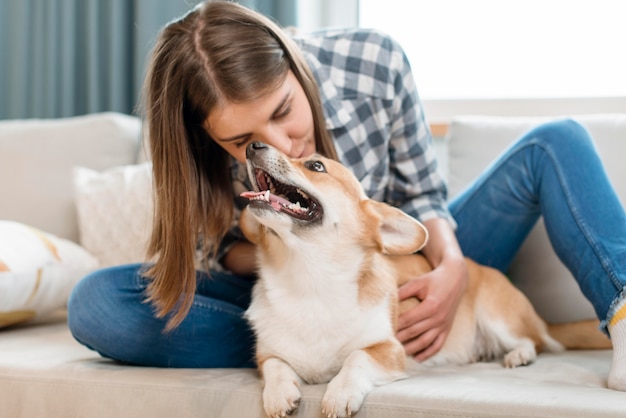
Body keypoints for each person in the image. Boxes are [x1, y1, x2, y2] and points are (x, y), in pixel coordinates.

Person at [67, 0, 626, 391]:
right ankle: (306, 350)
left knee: (558, 141)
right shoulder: (193, 143)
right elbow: (208, 253)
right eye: (243, 142)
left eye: (283, 111)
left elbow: (423, 194)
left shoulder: (374, 62)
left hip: (407, 262)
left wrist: (451, 268)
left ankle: (624, 317)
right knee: (98, 303)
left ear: (291, 61)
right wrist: (285, 252)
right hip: (283, 292)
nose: (278, 147)